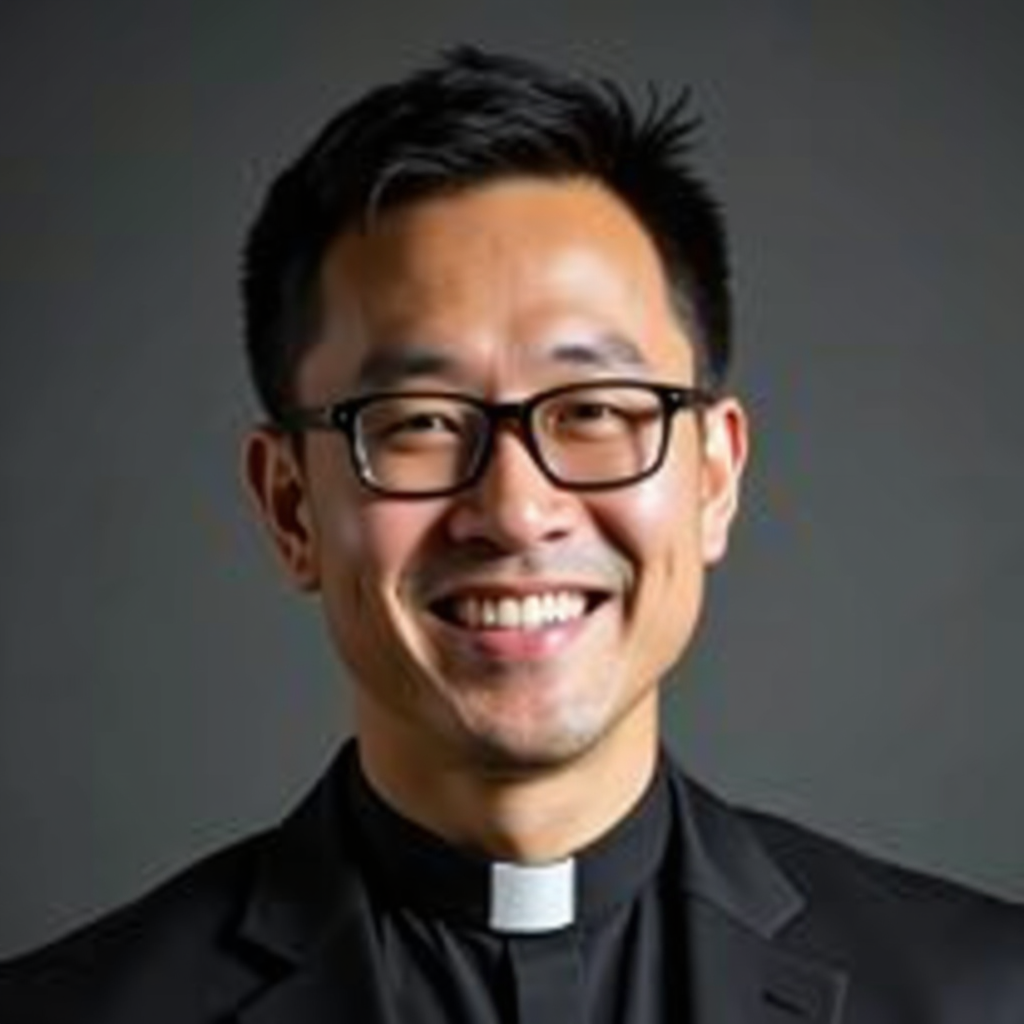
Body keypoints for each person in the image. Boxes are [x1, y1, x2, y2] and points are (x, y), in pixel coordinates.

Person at [1, 45, 1022, 1024]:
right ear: (290, 507)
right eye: (418, 424)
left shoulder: (983, 993)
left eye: (593, 408)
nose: (514, 509)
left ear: (713, 476)